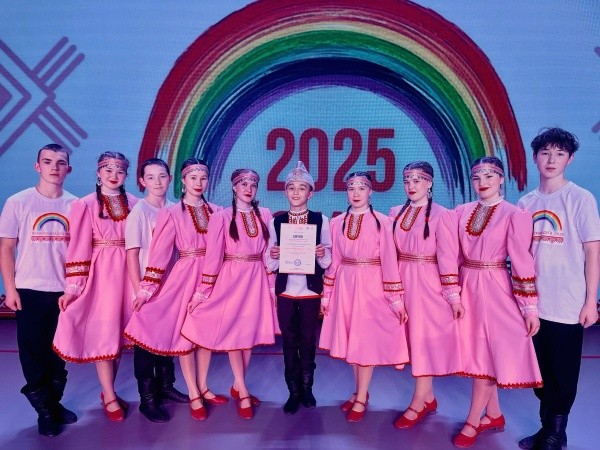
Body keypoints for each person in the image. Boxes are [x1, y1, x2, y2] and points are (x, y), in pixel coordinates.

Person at [125, 158, 226, 422]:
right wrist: (144, 289)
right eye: (193, 177)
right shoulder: (168, 213)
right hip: (178, 280)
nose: (198, 183)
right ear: (182, 180)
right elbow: (156, 255)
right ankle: (163, 396)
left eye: (203, 177)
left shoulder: (217, 212)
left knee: (200, 334)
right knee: (165, 332)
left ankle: (188, 387)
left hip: (208, 277)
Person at [517, 128, 600, 450]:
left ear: (570, 159)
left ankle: (554, 435)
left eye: (560, 154)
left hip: (567, 302)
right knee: (540, 374)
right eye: (545, 153)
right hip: (534, 304)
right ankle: (547, 429)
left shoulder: (580, 198)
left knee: (563, 374)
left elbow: (593, 251)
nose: (551, 160)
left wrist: (591, 300)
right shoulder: (526, 202)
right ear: (535, 157)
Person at [452, 156, 542, 448]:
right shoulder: (461, 212)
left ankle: (472, 420)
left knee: (487, 355)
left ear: (501, 179)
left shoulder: (514, 215)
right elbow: (452, 253)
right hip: (467, 285)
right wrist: (452, 291)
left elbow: (522, 261)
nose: (482, 182)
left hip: (495, 288)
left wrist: (529, 307)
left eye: (489, 176)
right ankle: (493, 414)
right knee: (477, 352)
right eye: (477, 177)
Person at [181, 168, 276, 420]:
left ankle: (237, 384)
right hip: (231, 279)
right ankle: (243, 390)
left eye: (253, 184)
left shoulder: (265, 214)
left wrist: (271, 286)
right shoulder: (221, 217)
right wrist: (202, 292)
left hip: (256, 279)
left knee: (248, 335)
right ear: (234, 187)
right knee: (236, 334)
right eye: (243, 183)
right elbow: (213, 257)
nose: (248, 188)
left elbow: (269, 254)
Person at [53, 151, 138, 423]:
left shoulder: (135, 203)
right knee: (104, 333)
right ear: (98, 173)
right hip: (102, 274)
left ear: (126, 175)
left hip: (129, 272)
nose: (114, 176)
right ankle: (110, 394)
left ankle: (107, 390)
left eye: (120, 171)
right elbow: (78, 246)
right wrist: (74, 286)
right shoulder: (85, 204)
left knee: (119, 336)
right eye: (108, 170)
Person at [0, 144, 77, 436]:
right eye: (47, 162)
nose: (54, 167)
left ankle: (53, 404)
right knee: (32, 353)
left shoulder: (76, 206)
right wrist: (10, 289)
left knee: (59, 352)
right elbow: (6, 248)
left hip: (63, 292)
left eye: (60, 162)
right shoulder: (18, 202)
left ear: (69, 168)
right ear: (37, 166)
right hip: (29, 289)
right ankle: (44, 412)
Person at [319, 172, 409, 423]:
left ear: (371, 192)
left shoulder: (383, 222)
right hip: (345, 285)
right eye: (351, 188)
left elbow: (389, 261)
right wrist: (327, 295)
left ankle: (361, 396)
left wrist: (395, 298)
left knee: (365, 341)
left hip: (371, 285)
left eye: (361, 188)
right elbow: (334, 261)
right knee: (352, 340)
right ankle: (360, 391)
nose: (356, 193)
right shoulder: (337, 222)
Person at [389, 161, 464, 429]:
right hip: (403, 280)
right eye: (407, 181)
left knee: (422, 342)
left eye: (417, 180)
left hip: (428, 285)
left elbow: (448, 256)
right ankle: (429, 398)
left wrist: (453, 295)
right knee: (409, 341)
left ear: (430, 183)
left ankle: (418, 402)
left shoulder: (444, 215)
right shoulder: (396, 212)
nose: (411, 186)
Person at [123, 158, 189, 423]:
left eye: (162, 176)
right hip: (147, 287)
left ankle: (166, 385)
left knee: (166, 337)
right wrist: (139, 288)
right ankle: (147, 399)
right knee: (145, 343)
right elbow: (132, 254)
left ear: (170, 178)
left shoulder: (176, 209)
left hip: (172, 285)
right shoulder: (139, 212)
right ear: (142, 181)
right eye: (150, 177)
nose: (158, 182)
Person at [265, 161, 332, 414]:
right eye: (291, 187)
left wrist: (321, 253)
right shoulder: (277, 222)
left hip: (310, 291)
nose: (296, 192)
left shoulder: (320, 220)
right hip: (285, 291)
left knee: (308, 341)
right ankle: (293, 392)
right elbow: (269, 260)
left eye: (301, 188)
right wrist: (273, 254)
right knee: (289, 342)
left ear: (310, 193)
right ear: (285, 192)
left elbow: (328, 259)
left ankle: (307, 389)